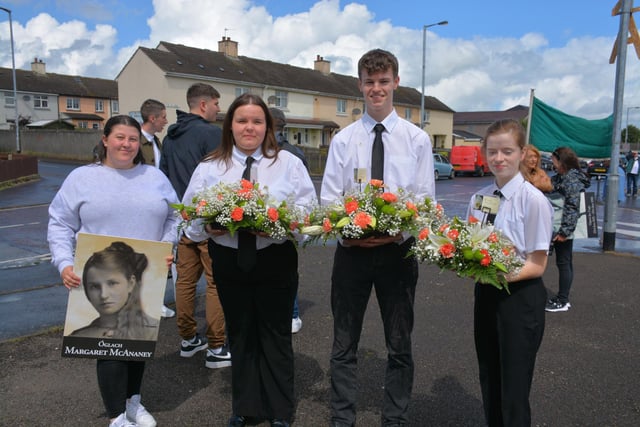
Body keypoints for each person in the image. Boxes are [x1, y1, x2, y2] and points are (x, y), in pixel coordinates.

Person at [183, 93, 316, 427]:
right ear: (230, 125)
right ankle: (246, 407)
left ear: (267, 126)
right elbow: (189, 219)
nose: (249, 127)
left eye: (257, 121)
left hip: (275, 259)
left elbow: (309, 212)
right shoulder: (210, 167)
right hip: (228, 260)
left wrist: (280, 224)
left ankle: (280, 411)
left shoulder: (289, 164)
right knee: (241, 334)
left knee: (275, 335)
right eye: (242, 120)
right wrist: (208, 225)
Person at [320, 49, 435, 427]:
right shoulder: (344, 140)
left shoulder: (417, 140)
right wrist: (350, 233)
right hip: (351, 254)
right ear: (360, 86)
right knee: (343, 344)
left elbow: (423, 200)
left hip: (397, 255)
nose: (377, 89)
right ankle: (342, 418)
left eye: (384, 81)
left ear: (396, 83)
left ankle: (395, 418)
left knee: (399, 344)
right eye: (369, 82)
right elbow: (329, 199)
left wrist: (393, 233)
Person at [48, 115, 178, 427]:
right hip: (99, 276)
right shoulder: (82, 178)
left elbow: (175, 217)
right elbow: (60, 223)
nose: (126, 144)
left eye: (133, 139)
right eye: (119, 137)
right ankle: (116, 416)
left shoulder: (155, 177)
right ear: (105, 139)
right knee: (107, 344)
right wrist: (64, 263)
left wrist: (167, 245)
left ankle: (133, 401)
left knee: (137, 340)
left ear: (140, 143)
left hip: (144, 274)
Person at [466, 119, 553, 427]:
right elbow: (471, 245)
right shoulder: (478, 198)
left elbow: (537, 264)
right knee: (489, 376)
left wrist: (497, 276)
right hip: (486, 296)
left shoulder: (533, 200)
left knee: (514, 388)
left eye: (507, 151)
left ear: (521, 153)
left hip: (520, 300)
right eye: (492, 151)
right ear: (484, 153)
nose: (499, 158)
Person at [160, 83, 229, 368]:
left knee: (185, 282)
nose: (218, 109)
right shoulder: (212, 134)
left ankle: (188, 338)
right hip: (207, 222)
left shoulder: (170, 137)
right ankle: (216, 345)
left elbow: (163, 177)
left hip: (180, 220)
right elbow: (222, 178)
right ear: (203, 105)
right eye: (215, 103)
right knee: (215, 283)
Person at [71, 242, 159, 340]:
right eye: (95, 287)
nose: (103, 295)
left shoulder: (153, 331)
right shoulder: (79, 337)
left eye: (112, 283)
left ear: (131, 283)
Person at [269, 107, 306, 334]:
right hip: (288, 223)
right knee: (288, 269)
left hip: (259, 222)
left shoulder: (259, 151)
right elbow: (304, 191)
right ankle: (292, 314)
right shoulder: (295, 153)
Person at [139, 98, 175, 319]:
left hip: (158, 204)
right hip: (142, 206)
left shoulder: (157, 142)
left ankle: (155, 301)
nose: (165, 121)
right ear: (152, 118)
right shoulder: (136, 142)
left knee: (158, 255)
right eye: (163, 117)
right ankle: (146, 302)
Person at [546, 146, 590, 312]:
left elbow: (572, 206)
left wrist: (565, 232)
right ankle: (563, 299)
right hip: (562, 226)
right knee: (565, 262)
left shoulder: (570, 179)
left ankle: (562, 300)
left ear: (561, 161)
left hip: (563, 228)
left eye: (554, 159)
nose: (552, 162)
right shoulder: (564, 177)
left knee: (564, 263)